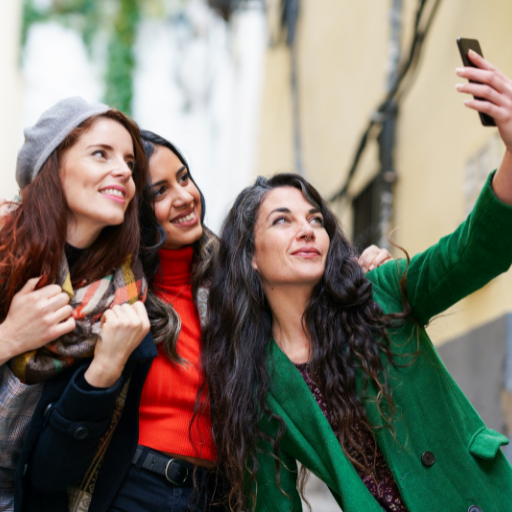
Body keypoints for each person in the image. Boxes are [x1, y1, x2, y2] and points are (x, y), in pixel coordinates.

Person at [17, 126, 393, 512]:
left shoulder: (242, 287)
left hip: (220, 496)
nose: (184, 197)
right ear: (136, 209)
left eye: (184, 178)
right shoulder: (109, 301)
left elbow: (308, 299)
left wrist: (364, 272)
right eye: (159, 192)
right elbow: (50, 451)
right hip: (132, 490)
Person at [202, 50, 512, 512]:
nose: (308, 229)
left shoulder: (379, 291)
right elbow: (269, 500)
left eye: (315, 219)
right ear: (250, 256)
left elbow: (471, 252)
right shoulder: (257, 376)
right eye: (282, 221)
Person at [0, 97, 152, 512]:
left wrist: (103, 371)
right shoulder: (2, 253)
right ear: (52, 166)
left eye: (129, 163)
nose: (123, 170)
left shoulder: (125, 303)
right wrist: (9, 338)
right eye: (100, 153)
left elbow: (52, 475)